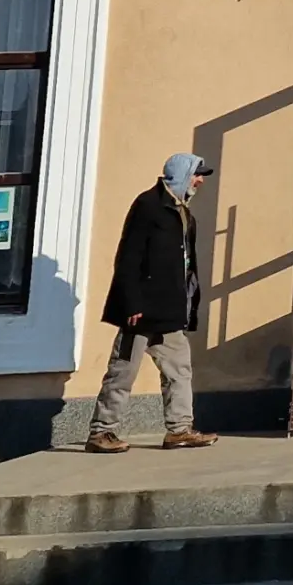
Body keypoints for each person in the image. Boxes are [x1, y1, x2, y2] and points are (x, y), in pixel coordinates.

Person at [86, 152, 219, 454]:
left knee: (179, 372)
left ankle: (179, 431)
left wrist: (189, 303)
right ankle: (101, 433)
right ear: (181, 174)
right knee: (122, 373)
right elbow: (128, 257)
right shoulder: (148, 206)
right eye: (197, 174)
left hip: (169, 312)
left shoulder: (184, 213)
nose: (200, 181)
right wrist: (131, 303)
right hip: (140, 314)